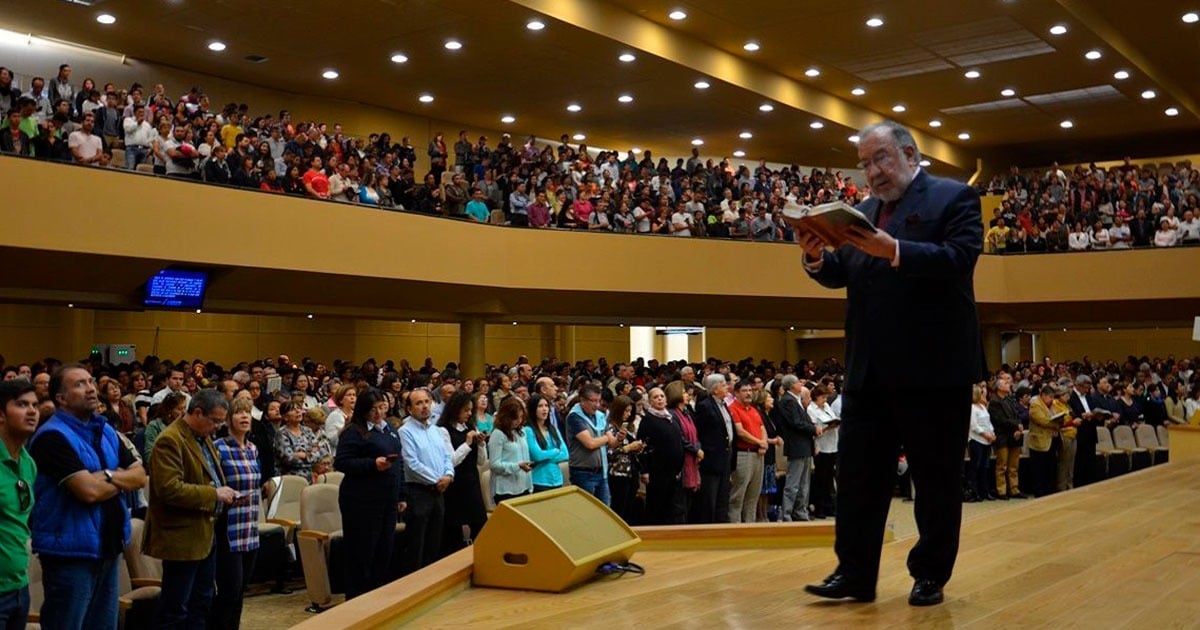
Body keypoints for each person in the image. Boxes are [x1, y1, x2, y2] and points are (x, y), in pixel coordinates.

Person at [800, 121, 984, 607]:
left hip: (934, 371)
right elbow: (848, 271)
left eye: (880, 158)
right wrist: (817, 258)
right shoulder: (860, 211)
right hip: (869, 371)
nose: (873, 172)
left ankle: (930, 574)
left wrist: (897, 250)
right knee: (859, 480)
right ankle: (855, 573)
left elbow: (960, 257)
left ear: (908, 153)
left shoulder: (953, 198)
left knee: (935, 480)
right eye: (864, 163)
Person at [29, 366, 145, 630]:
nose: (91, 388)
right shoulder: (52, 436)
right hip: (70, 552)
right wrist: (118, 478)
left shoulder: (104, 430)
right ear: (61, 398)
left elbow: (140, 477)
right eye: (80, 384)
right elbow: (88, 492)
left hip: (108, 546)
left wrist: (103, 476)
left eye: (91, 382)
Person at [145, 389, 239, 630]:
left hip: (206, 534)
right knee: (176, 608)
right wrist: (214, 494)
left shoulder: (203, 437)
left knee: (202, 602)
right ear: (197, 412)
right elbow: (169, 489)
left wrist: (225, 492)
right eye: (216, 420)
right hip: (181, 537)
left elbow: (209, 476)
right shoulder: (170, 439)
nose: (218, 426)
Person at [335, 389, 406, 600]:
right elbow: (342, 462)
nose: (378, 413)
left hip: (387, 499)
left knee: (384, 551)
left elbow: (399, 463)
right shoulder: (354, 432)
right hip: (361, 501)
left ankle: (376, 597)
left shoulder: (389, 430)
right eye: (372, 409)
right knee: (362, 553)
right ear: (363, 410)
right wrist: (372, 464)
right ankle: (357, 600)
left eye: (381, 408)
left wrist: (402, 495)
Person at [212, 397, 261, 630]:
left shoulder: (253, 449)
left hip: (250, 525)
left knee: (241, 590)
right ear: (228, 419)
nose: (244, 417)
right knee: (229, 590)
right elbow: (213, 485)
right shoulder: (219, 447)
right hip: (228, 526)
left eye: (247, 413)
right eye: (239, 413)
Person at [398, 388, 453, 574]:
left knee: (434, 541)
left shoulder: (436, 430)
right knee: (416, 544)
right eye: (418, 403)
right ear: (409, 409)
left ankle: (431, 581)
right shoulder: (405, 432)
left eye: (427, 402)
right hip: (418, 492)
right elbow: (411, 463)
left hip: (439, 491)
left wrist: (449, 476)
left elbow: (447, 456)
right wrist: (438, 480)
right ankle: (413, 586)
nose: (424, 407)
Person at [0, 380, 38, 629]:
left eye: (34, 404)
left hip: (18, 586)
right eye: (22, 404)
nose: (33, 411)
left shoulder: (28, 462)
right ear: (1, 415)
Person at [437, 391, 486, 556]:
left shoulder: (471, 427)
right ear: (455, 409)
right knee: (454, 529)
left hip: (472, 481)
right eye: (465, 410)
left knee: (480, 524)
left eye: (471, 410)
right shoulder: (443, 430)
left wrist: (480, 445)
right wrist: (467, 443)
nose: (469, 413)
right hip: (455, 484)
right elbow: (451, 460)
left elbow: (481, 461)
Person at [637, 387, 686, 525]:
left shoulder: (670, 417)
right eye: (655, 397)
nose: (660, 399)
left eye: (662, 396)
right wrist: (644, 470)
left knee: (673, 506)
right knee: (657, 506)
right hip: (657, 471)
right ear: (650, 401)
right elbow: (643, 446)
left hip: (674, 471)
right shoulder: (648, 420)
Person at [690, 374, 733, 523]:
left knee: (723, 496)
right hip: (711, 458)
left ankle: (722, 526)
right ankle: (709, 528)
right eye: (723, 385)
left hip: (725, 456)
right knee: (710, 498)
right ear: (714, 390)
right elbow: (699, 432)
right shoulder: (705, 406)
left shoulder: (724, 405)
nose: (727, 387)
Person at [565, 384, 615, 505]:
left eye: (598, 401)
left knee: (605, 510)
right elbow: (590, 444)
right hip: (583, 473)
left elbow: (612, 443)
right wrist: (606, 437)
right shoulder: (574, 417)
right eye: (593, 401)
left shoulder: (600, 416)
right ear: (582, 400)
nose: (597, 405)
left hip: (601, 471)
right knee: (586, 510)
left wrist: (617, 439)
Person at [727, 380, 768, 523]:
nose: (749, 393)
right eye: (744, 391)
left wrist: (764, 443)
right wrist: (759, 442)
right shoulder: (733, 408)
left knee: (753, 496)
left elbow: (762, 428)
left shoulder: (753, 409)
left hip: (758, 454)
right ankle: (735, 528)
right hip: (744, 454)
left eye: (750, 390)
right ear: (736, 393)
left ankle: (750, 527)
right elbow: (740, 432)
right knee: (738, 495)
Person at [487, 397, 533, 505]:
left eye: (521, 417)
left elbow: (525, 456)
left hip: (524, 485)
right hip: (506, 489)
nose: (519, 421)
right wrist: (517, 466)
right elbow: (494, 464)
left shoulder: (521, 432)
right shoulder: (498, 434)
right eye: (515, 418)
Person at [987, 373, 1027, 499]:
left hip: (1014, 435)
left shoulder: (1010, 399)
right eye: (1005, 383)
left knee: (1014, 466)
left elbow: (1017, 415)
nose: (1008, 384)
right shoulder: (994, 402)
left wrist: (1019, 427)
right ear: (998, 387)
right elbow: (1000, 420)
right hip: (1002, 436)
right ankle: (1001, 490)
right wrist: (1016, 425)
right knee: (1002, 466)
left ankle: (1014, 489)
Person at [525, 394, 569, 493]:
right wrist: (555, 451)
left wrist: (546, 457)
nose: (544, 409)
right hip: (539, 481)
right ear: (533, 409)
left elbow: (565, 454)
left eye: (546, 406)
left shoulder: (553, 429)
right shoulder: (528, 430)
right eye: (540, 406)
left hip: (557, 479)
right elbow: (538, 456)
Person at [807, 384, 840, 519]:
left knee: (829, 478)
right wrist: (827, 427)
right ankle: (819, 507)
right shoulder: (811, 409)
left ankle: (829, 506)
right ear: (816, 397)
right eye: (823, 397)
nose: (825, 400)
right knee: (820, 478)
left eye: (826, 397)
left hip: (832, 445)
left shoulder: (826, 407)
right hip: (821, 446)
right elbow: (815, 430)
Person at [966, 385, 996, 502]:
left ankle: (985, 491)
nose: (985, 395)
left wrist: (992, 433)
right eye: (982, 393)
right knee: (976, 466)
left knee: (985, 467)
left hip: (987, 442)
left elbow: (988, 422)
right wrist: (985, 434)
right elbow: (973, 426)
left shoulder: (983, 407)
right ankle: (974, 492)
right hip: (976, 440)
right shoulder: (972, 408)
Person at [322, 384, 356, 453]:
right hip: (339, 453)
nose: (352, 397)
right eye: (349, 395)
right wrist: (345, 427)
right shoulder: (335, 415)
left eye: (354, 395)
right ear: (341, 400)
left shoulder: (357, 414)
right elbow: (332, 440)